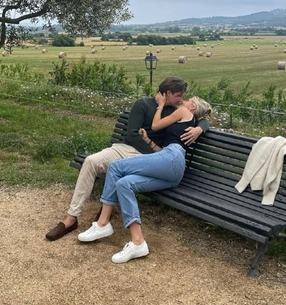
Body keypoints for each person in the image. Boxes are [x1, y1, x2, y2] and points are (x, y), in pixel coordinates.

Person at [45, 77, 210, 241]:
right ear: (168, 93)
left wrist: (199, 129)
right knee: (91, 161)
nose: (181, 100)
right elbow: (132, 134)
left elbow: (202, 117)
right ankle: (71, 218)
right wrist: (153, 154)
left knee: (120, 172)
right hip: (127, 150)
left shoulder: (175, 111)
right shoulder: (142, 104)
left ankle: (104, 217)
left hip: (153, 158)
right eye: (179, 95)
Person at [77, 93, 212, 263]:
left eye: (188, 100)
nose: (183, 101)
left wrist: (161, 105)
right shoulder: (189, 121)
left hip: (172, 158)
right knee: (124, 184)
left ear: (192, 107)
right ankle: (138, 242)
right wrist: (148, 140)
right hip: (171, 166)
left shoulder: (185, 112)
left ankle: (102, 223)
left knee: (115, 167)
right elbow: (162, 151)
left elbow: (156, 125)